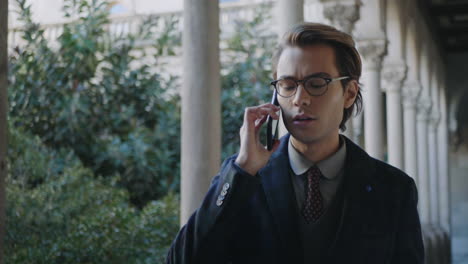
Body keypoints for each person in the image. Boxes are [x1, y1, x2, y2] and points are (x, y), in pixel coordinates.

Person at [166, 22, 424, 264]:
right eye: (288, 85)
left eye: (316, 84)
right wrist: (243, 168)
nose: (300, 99)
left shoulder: (394, 189)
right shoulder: (243, 180)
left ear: (349, 93)